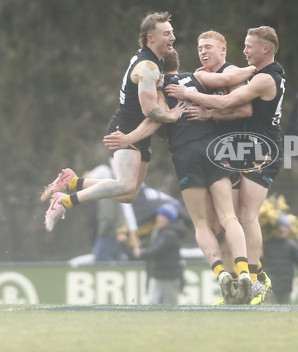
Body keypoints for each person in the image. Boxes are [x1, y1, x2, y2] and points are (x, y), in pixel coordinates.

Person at [104, 48, 258, 304]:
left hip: (185, 154)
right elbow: (227, 80)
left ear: (158, 70)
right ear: (179, 64)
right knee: (228, 216)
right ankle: (243, 271)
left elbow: (154, 119)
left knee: (200, 223)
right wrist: (255, 69)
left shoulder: (159, 88)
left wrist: (129, 138)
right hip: (213, 149)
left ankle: (220, 273)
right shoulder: (197, 78)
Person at [165, 26, 286, 297]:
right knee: (223, 222)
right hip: (231, 152)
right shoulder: (201, 76)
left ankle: (255, 280)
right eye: (199, 48)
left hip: (259, 149)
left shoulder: (253, 76)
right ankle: (236, 285)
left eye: (208, 47)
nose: (244, 51)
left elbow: (239, 105)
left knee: (244, 216)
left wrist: (196, 103)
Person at [42, 11, 184, 238]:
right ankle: (66, 201)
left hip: (138, 133)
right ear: (150, 38)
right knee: (125, 186)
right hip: (125, 129)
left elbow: (152, 113)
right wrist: (172, 115)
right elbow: (152, 112)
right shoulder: (148, 67)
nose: (173, 37)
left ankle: (72, 182)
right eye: (166, 33)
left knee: (129, 195)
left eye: (172, 32)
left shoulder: (154, 60)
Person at [132, 202, 186, 305]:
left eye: (163, 216)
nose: (159, 218)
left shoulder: (169, 234)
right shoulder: (159, 232)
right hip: (157, 275)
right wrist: (140, 245)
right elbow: (152, 247)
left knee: (171, 305)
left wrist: (141, 253)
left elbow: (156, 250)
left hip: (169, 277)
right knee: (152, 303)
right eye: (159, 215)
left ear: (170, 219)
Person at [85, 163, 127, 262]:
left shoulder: (105, 194)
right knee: (120, 262)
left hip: (107, 235)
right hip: (115, 233)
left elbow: (108, 217)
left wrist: (101, 232)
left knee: (98, 264)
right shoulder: (113, 190)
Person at [261, 214, 298, 304]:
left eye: (284, 227)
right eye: (280, 227)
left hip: (286, 287)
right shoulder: (266, 245)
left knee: (285, 310)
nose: (281, 229)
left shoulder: (291, 246)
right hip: (270, 286)